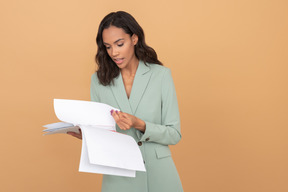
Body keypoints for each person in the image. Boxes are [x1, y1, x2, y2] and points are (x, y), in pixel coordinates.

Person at [68, 11, 183, 192]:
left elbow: (174, 133)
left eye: (119, 44)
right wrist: (89, 136)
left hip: (159, 175)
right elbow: (104, 133)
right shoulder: (98, 81)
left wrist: (139, 124)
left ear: (134, 39)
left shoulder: (161, 76)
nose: (114, 52)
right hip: (120, 176)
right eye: (107, 47)